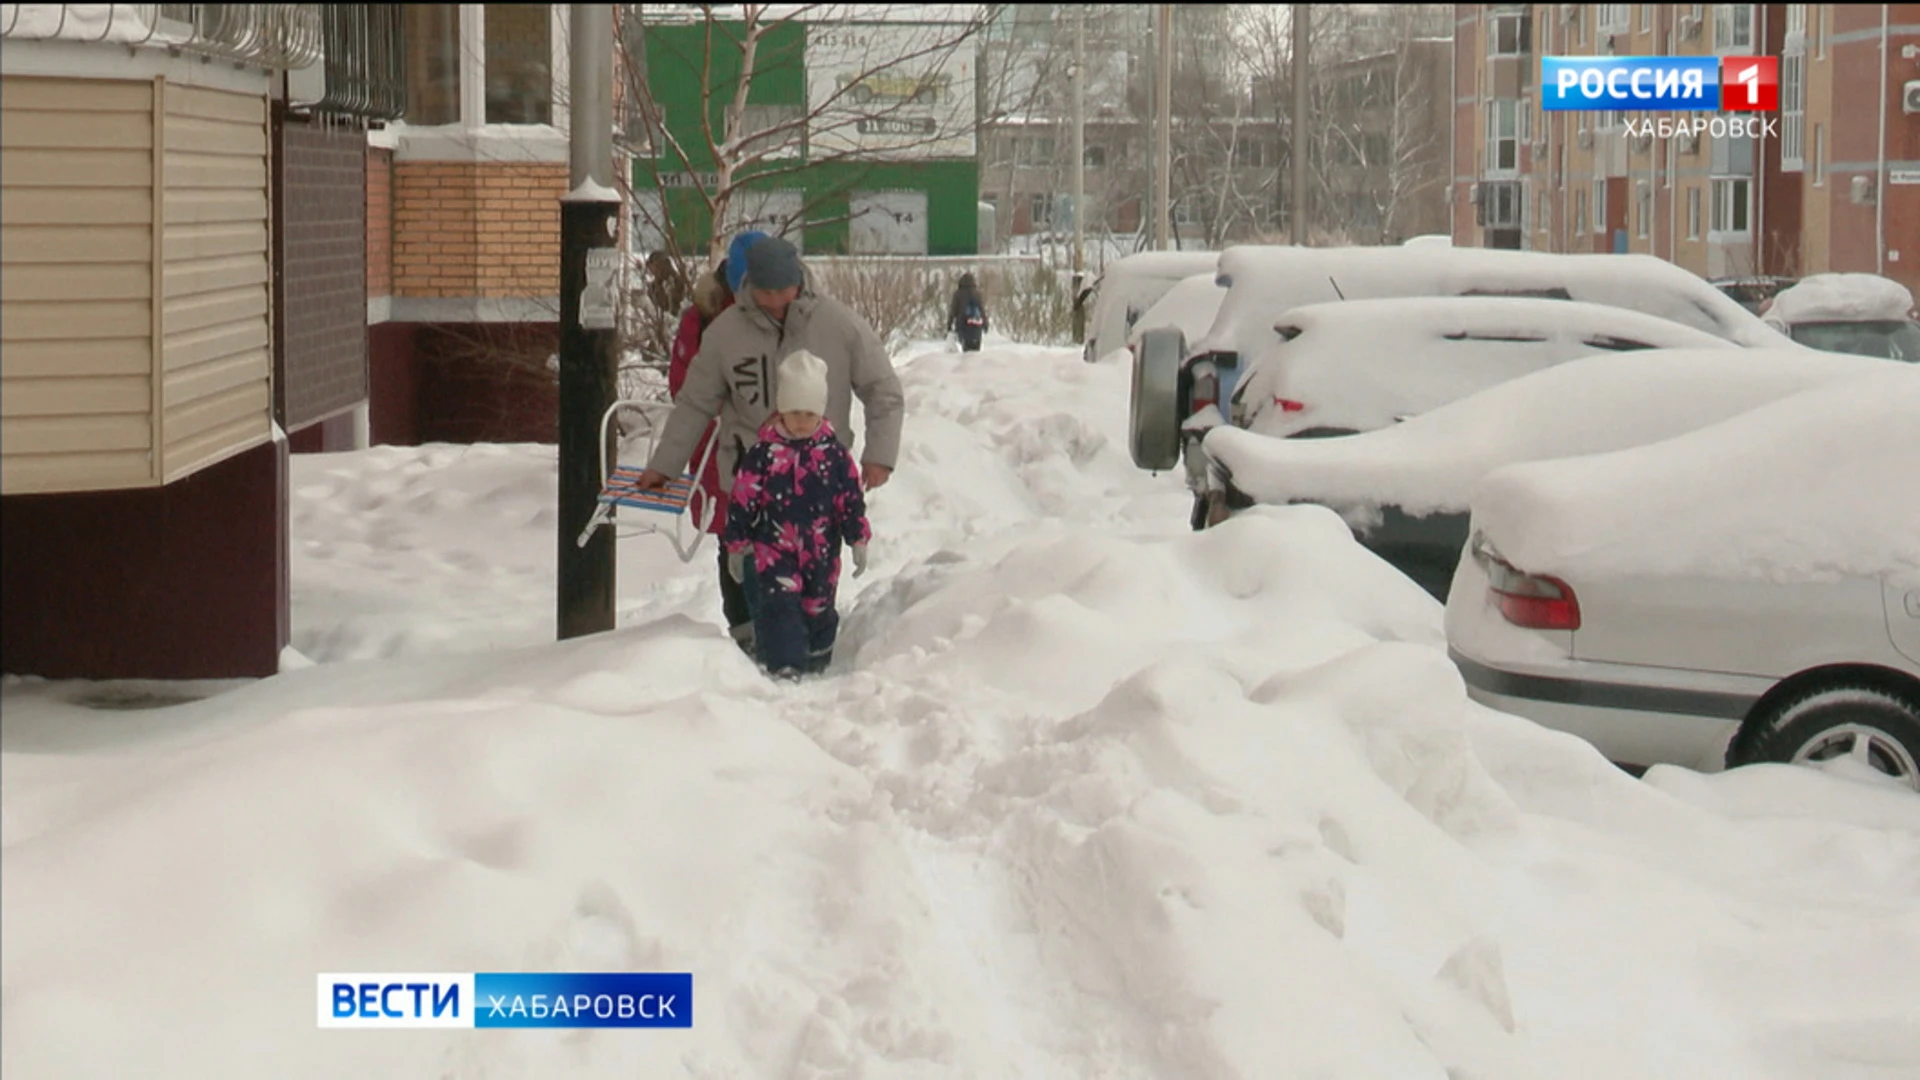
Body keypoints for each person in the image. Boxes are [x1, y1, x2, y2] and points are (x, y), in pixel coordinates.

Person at [630, 234, 904, 649]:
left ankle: (812, 643)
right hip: (750, 481)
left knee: (815, 571)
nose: (774, 301)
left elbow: (883, 389)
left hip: (820, 483)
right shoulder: (724, 333)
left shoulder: (839, 324)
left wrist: (880, 455)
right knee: (745, 564)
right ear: (747, 287)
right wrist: (663, 466)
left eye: (782, 290)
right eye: (764, 292)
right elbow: (693, 404)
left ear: (799, 281)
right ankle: (750, 642)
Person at [723, 350, 871, 677]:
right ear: (781, 411)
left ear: (820, 411)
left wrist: (857, 537)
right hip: (774, 548)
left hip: (821, 548)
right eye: (794, 413)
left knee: (818, 605)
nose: (802, 421)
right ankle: (784, 665)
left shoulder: (834, 456)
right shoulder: (764, 454)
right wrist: (736, 544)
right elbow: (743, 498)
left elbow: (850, 499)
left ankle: (818, 656)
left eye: (809, 413)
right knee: (779, 603)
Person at [668, 248, 747, 651]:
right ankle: (745, 628)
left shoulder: (776, 310)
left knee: (750, 536)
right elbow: (685, 387)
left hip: (746, 440)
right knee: (734, 535)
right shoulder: (702, 317)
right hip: (718, 444)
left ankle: (757, 624)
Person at [948, 271, 987, 352]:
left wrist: (949, 324)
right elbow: (981, 310)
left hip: (963, 325)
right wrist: (985, 324)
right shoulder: (977, 293)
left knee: (966, 351)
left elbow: (953, 311)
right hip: (976, 325)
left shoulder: (958, 294)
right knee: (976, 350)